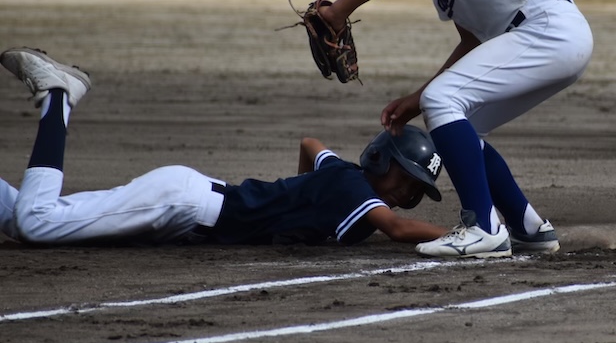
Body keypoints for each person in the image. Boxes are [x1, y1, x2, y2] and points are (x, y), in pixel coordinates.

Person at [317, 0, 594, 258]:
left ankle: (482, 227)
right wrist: (417, 98)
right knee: (462, 122)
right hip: (549, 34)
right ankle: (527, 226)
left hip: (547, 29)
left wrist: (339, 10)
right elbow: (471, 41)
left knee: (443, 101)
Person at [0, 47, 449, 247]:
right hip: (183, 204)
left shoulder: (342, 177)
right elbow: (397, 229)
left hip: (187, 204)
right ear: (380, 160)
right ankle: (58, 97)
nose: (408, 193)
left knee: (23, 221)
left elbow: (311, 144)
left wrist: (299, 195)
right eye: (407, 179)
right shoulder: (354, 190)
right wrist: (463, 237)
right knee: (40, 223)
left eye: (417, 190)